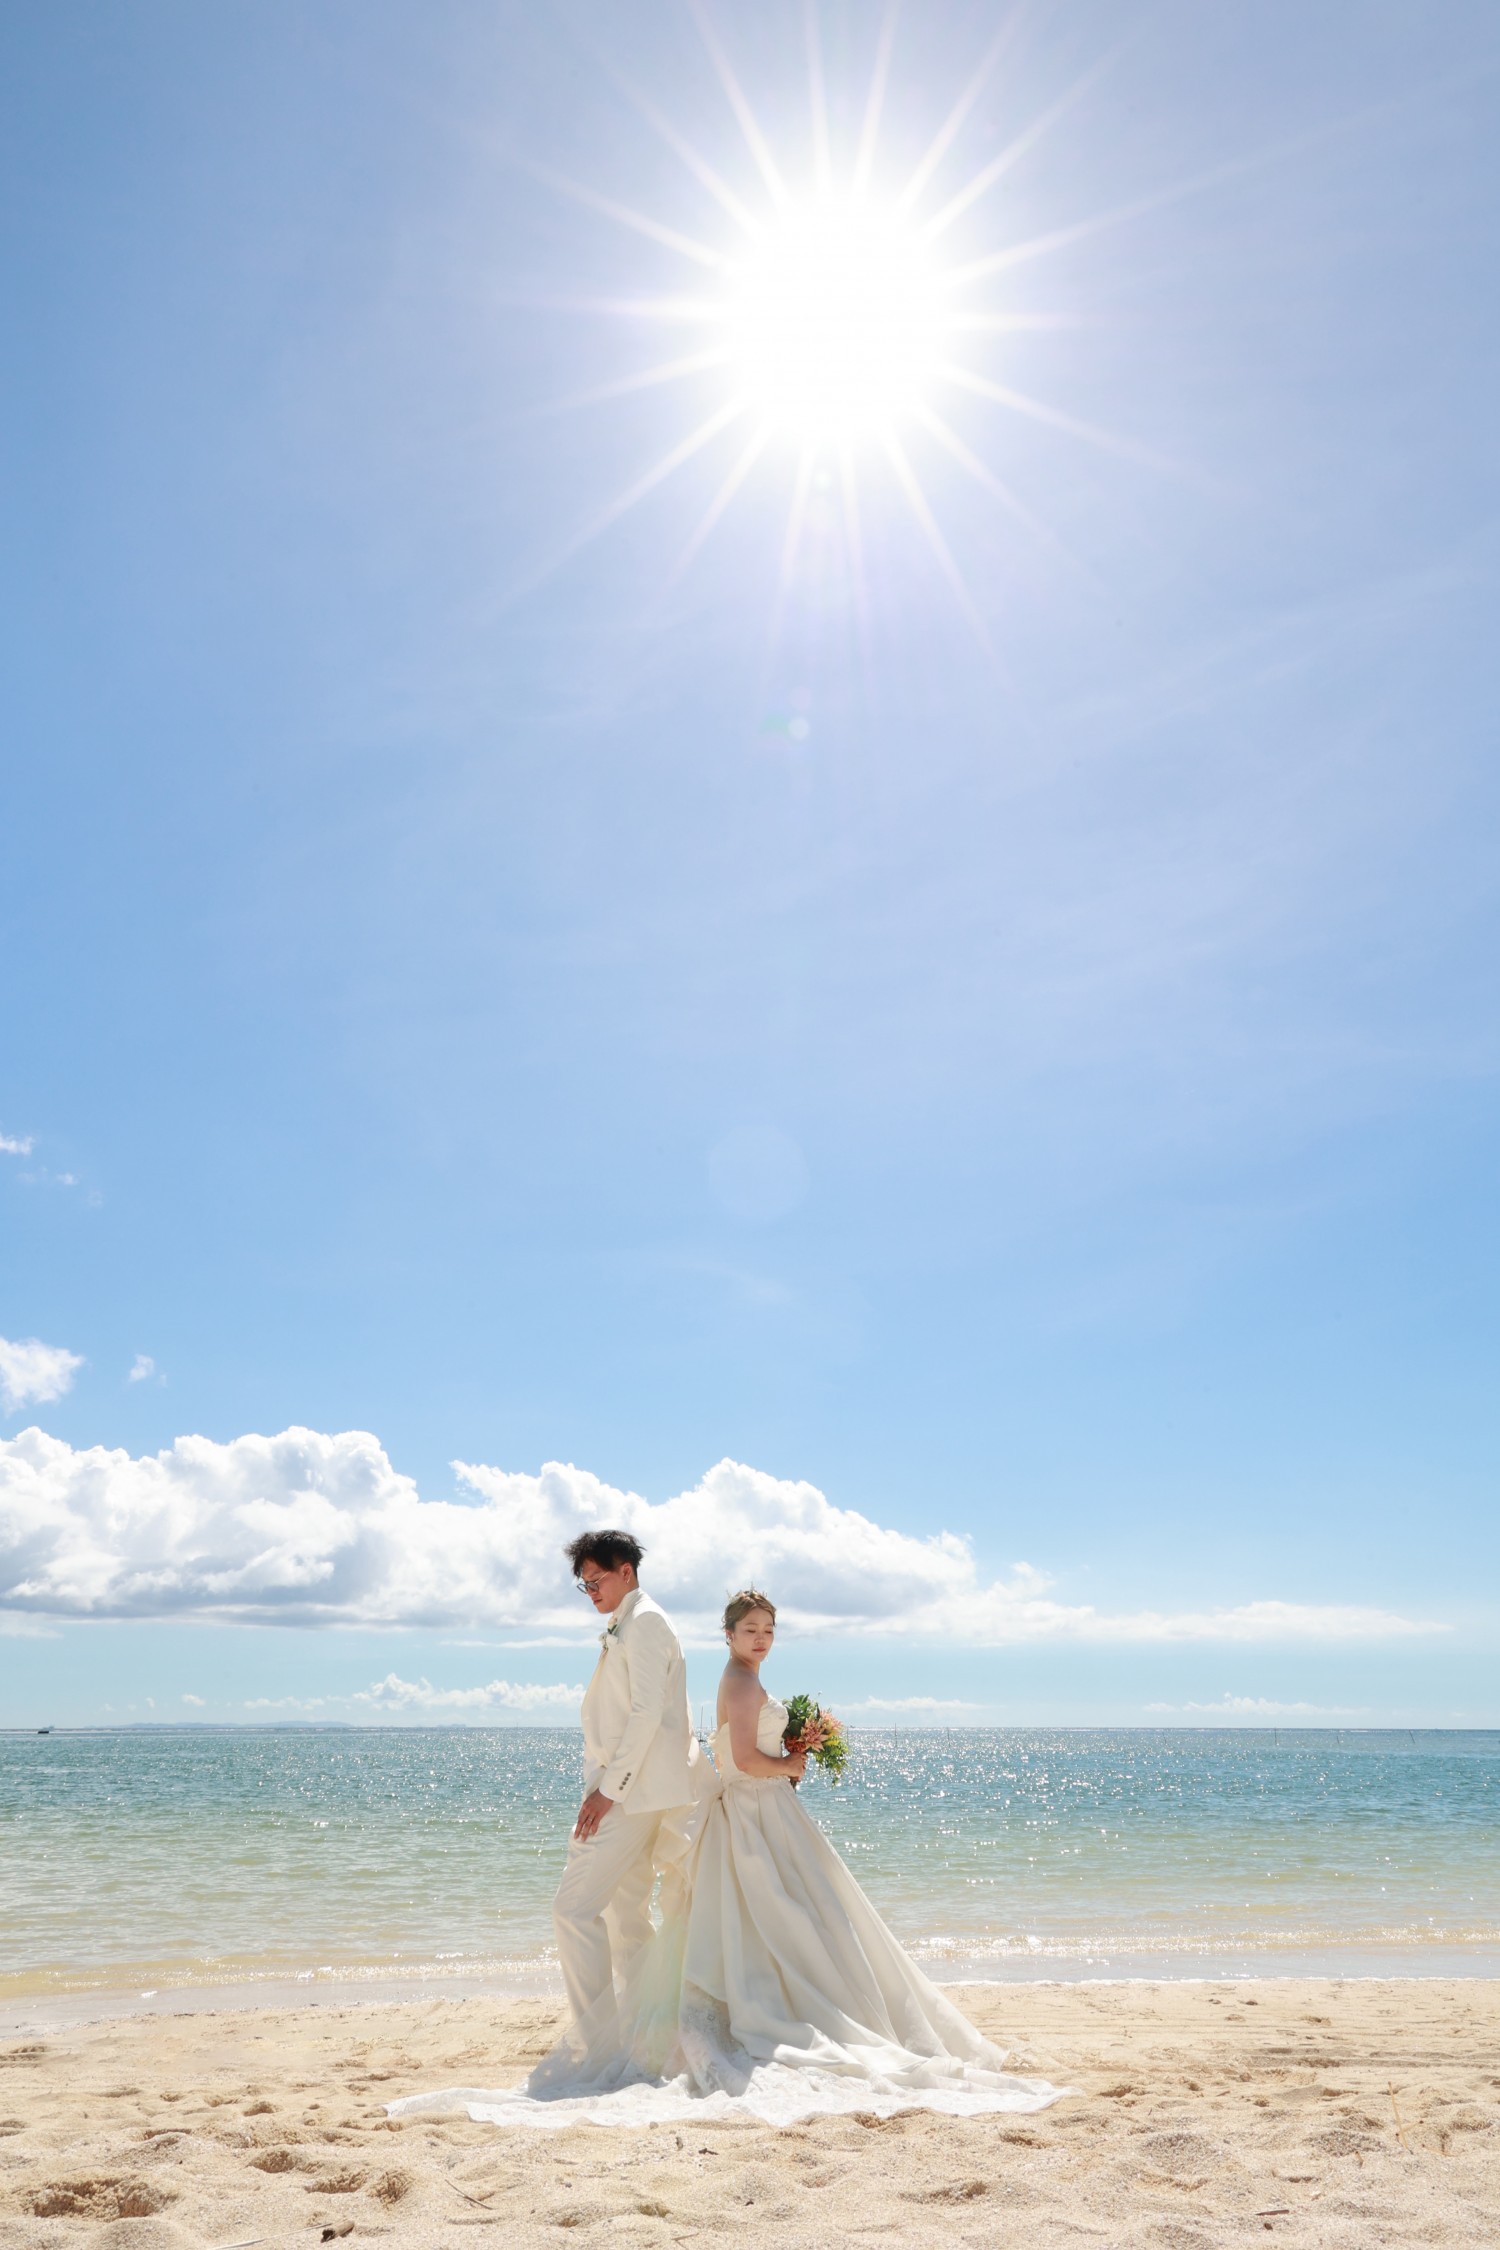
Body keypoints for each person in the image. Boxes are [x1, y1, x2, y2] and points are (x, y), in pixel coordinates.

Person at [389, 1582, 1065, 2129]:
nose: (761, 1639)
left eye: (769, 1630)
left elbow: (747, 1756)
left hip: (766, 1814)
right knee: (786, 1922)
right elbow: (742, 1760)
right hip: (750, 1816)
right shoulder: (739, 1683)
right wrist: (795, 1759)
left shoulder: (748, 1679)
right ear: (730, 1635)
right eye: (751, 1630)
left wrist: (794, 1758)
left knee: (797, 1924)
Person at [550, 1529, 699, 2041]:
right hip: (632, 1791)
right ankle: (648, 2028)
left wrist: (609, 1790)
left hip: (631, 1796)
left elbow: (647, 1713)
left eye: (595, 1580)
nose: (590, 1592)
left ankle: (599, 2038)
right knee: (625, 1916)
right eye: (584, 1585)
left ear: (626, 1572)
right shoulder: (628, 1621)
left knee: (572, 1911)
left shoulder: (647, 1620)